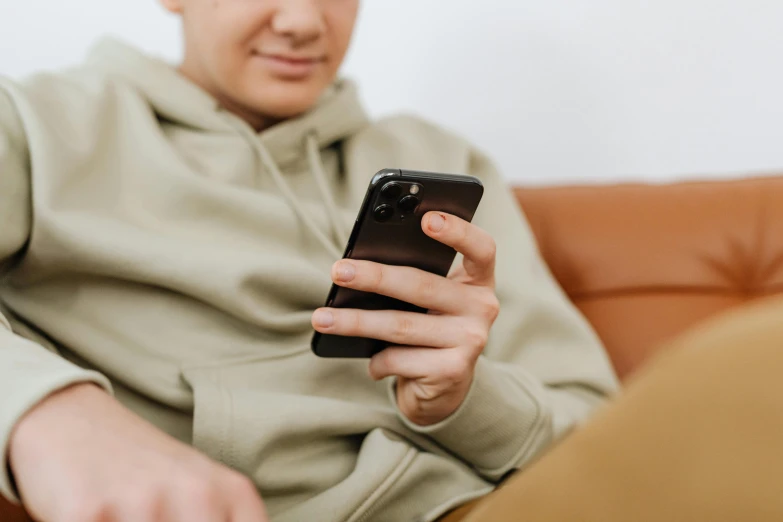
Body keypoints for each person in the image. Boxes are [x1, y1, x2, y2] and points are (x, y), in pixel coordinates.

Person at [0, 1, 618, 521]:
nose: (302, 22)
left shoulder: (439, 157)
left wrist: (462, 401)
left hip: (485, 503)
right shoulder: (36, 124)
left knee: (717, 370)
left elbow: (601, 431)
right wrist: (47, 407)